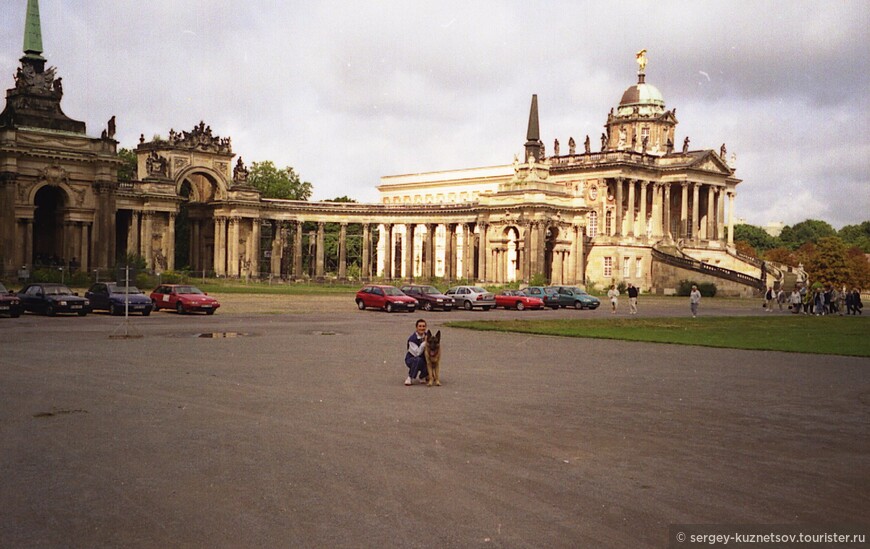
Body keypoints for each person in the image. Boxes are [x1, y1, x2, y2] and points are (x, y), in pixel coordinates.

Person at [404, 319, 429, 386]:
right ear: (416, 327)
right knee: (417, 360)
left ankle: (422, 376)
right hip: (411, 359)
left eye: (423, 326)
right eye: (420, 326)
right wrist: (424, 343)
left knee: (431, 362)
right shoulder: (412, 339)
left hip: (423, 359)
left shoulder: (428, 335)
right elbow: (416, 353)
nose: (422, 328)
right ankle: (410, 377)